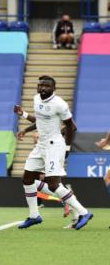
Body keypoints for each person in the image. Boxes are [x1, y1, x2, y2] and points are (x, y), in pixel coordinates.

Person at [15, 75, 92, 230]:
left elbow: (71, 127)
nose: (42, 88)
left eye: (47, 86)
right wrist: (23, 117)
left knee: (53, 185)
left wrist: (67, 148)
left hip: (54, 145)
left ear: (54, 89)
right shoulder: (36, 99)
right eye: (40, 85)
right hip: (41, 145)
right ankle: (34, 215)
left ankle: (83, 212)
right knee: (27, 179)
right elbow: (40, 121)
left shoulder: (59, 104)